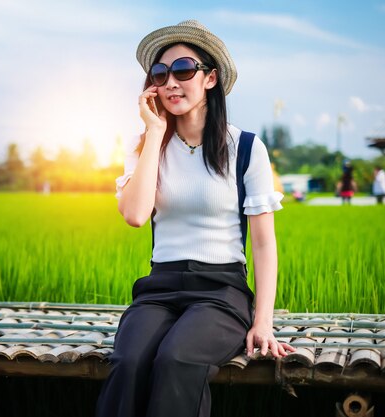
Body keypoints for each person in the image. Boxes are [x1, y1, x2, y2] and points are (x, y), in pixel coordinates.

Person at [95, 20, 294, 417]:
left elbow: (263, 244)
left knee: (176, 360)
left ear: (210, 78)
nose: (171, 82)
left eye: (184, 70)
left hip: (221, 292)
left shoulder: (246, 148)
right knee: (129, 362)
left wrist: (264, 322)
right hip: (159, 289)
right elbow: (135, 215)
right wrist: (154, 133)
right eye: (160, 73)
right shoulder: (144, 147)